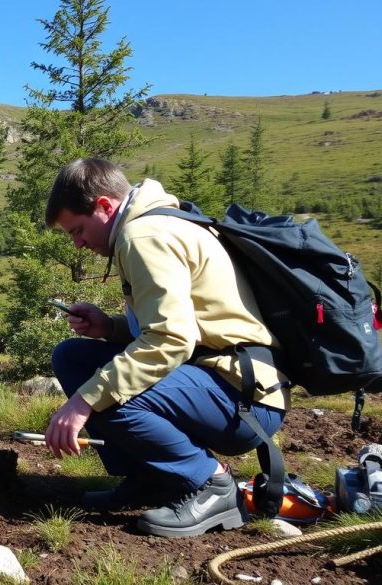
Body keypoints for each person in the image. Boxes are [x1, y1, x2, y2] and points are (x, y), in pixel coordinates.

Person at [42, 158, 290, 538]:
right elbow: (182, 329)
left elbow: (171, 340)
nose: (78, 243)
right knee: (73, 357)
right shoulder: (157, 223)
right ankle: (153, 476)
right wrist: (110, 327)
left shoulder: (144, 236)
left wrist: (82, 402)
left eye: (78, 230)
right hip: (221, 384)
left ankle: (212, 485)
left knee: (110, 393)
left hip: (243, 398)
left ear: (105, 206)